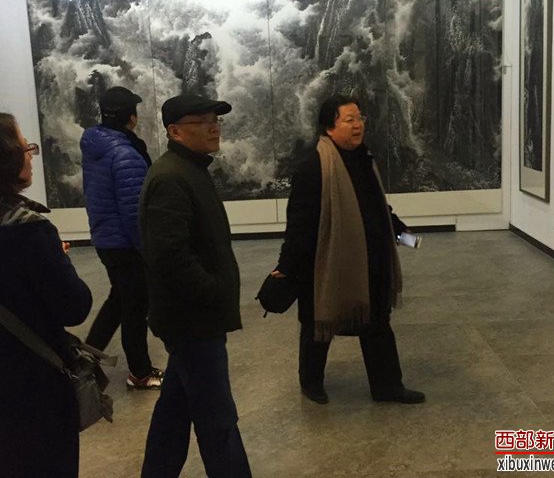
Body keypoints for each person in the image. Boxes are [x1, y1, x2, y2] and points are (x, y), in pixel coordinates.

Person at [273, 94, 425, 405]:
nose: (358, 125)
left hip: (372, 259)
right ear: (329, 127)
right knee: (319, 323)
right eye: (349, 120)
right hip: (327, 262)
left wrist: (400, 232)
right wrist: (286, 267)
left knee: (377, 322)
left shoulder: (365, 158)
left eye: (360, 118)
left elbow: (377, 208)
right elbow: (299, 225)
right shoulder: (314, 167)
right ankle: (311, 383)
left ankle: (387, 386)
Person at [139, 95, 252, 478]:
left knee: (174, 413)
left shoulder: (189, 169)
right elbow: (169, 256)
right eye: (202, 121)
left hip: (193, 319)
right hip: (193, 321)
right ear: (175, 131)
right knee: (219, 420)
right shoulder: (172, 178)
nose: (213, 127)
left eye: (215, 120)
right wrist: (213, 291)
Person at [0, 112, 92, 477]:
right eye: (27, 148)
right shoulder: (28, 231)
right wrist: (56, 260)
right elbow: (75, 306)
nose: (31, 157)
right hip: (29, 387)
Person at [80, 86, 163, 389]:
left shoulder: (95, 145)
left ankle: (85, 359)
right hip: (125, 243)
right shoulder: (126, 153)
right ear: (131, 117)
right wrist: (146, 249)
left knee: (119, 300)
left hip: (106, 237)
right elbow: (133, 212)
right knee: (135, 308)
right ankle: (140, 373)